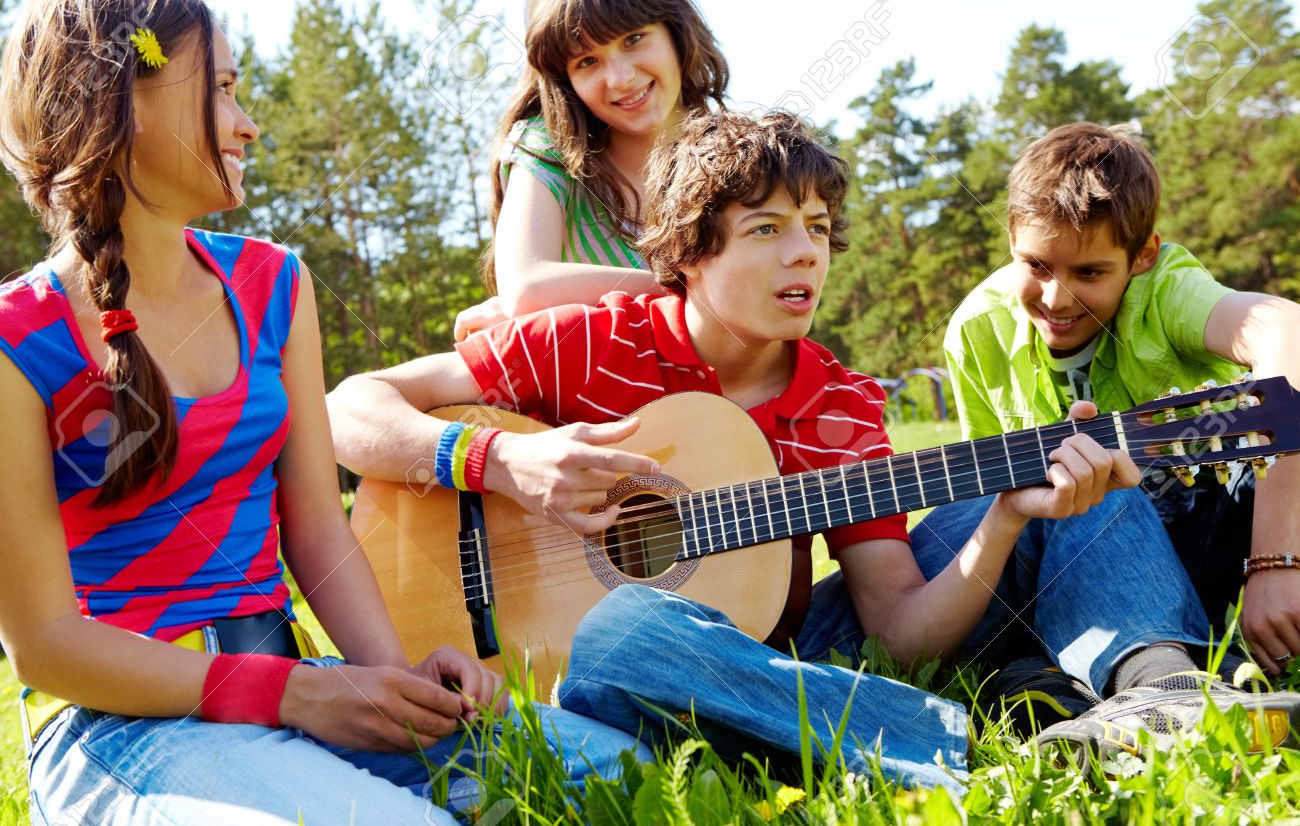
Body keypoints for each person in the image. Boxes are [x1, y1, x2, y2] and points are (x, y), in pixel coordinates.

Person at [328, 110, 1290, 787]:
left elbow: (897, 633)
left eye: (820, 230)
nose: (807, 256)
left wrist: (1003, 519)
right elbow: (350, 408)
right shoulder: (594, 337)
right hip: (598, 669)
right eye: (768, 230)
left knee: (1072, 461)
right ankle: (971, 746)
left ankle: (1158, 698)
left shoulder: (840, 404)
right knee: (622, 628)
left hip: (781, 653)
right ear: (690, 251)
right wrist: (495, 463)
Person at [0, 0, 642, 825]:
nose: (246, 122)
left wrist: (395, 677)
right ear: (124, 102)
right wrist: (293, 696)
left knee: (618, 777)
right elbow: (45, 646)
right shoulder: (17, 339)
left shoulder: (273, 285)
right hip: (120, 729)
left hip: (294, 689)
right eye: (222, 90)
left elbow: (313, 525)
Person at [943, 122, 1300, 679]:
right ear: (1011, 239)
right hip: (1070, 568)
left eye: (1089, 272)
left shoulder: (1164, 289)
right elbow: (989, 504)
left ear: (1142, 256)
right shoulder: (975, 331)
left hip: (1203, 529)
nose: (1056, 298)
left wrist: (1276, 562)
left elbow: (1287, 330)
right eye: (1035, 265)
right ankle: (1132, 667)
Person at [453, 0, 728, 340]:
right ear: (564, 80)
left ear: (675, 30)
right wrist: (696, 292)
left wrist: (565, 299)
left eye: (633, 39)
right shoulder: (548, 150)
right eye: (587, 61)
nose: (621, 78)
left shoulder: (736, 158)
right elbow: (527, 288)